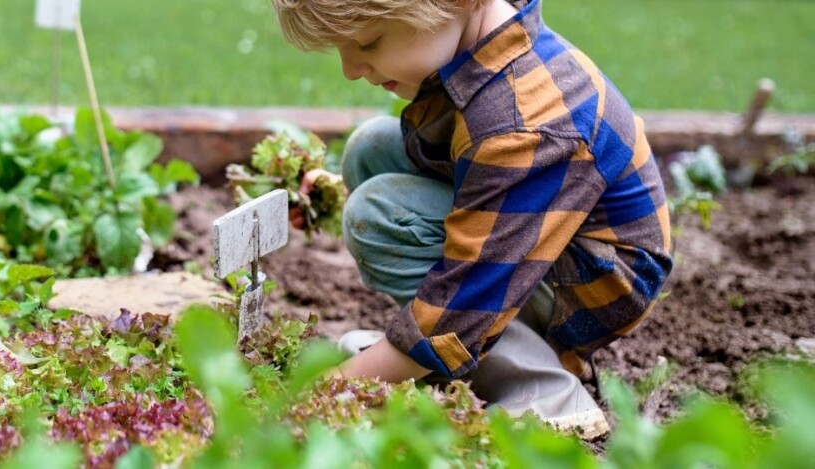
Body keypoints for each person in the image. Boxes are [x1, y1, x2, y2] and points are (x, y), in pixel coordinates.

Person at [274, 0, 673, 438]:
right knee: (371, 149)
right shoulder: (484, 42)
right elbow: (473, 175)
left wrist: (334, 388)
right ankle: (443, 351)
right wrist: (331, 194)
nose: (350, 69)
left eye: (368, 42)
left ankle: (543, 386)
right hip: (553, 243)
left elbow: (473, 286)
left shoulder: (523, 123)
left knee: (378, 216)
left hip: (588, 286)